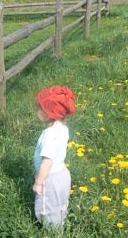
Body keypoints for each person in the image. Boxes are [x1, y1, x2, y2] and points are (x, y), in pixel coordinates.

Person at [33, 85, 76, 231]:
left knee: (46, 208)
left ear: (47, 113)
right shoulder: (62, 129)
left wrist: (39, 183)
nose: (35, 110)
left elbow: (47, 162)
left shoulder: (49, 135)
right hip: (62, 174)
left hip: (50, 179)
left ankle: (52, 232)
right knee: (59, 204)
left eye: (38, 108)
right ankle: (61, 226)